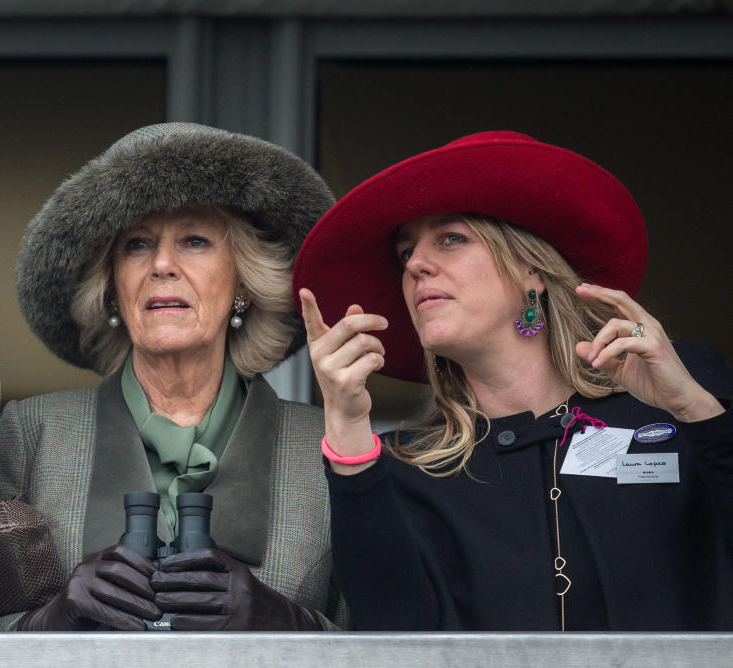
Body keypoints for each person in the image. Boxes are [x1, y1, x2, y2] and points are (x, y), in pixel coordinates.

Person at [292, 131, 733, 630]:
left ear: (531, 270)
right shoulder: (408, 466)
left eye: (451, 238)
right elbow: (393, 640)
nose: (415, 264)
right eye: (404, 255)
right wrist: (348, 432)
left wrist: (696, 412)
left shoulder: (678, 392)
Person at [0, 123, 347, 631]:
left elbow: (391, 639)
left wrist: (286, 622)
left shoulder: (326, 445)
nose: (162, 264)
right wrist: (47, 622)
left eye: (194, 240)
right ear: (111, 289)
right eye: (137, 245)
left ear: (245, 285)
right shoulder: (30, 431)